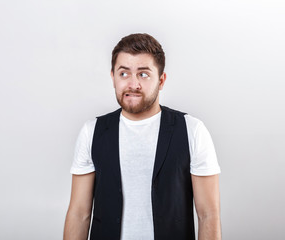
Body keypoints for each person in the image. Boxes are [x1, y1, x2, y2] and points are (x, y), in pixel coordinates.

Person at [63, 33, 222, 240]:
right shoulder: (92, 132)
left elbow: (208, 215)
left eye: (143, 74)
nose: (133, 84)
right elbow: (79, 214)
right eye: (124, 74)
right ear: (113, 77)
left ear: (161, 80)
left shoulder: (192, 130)